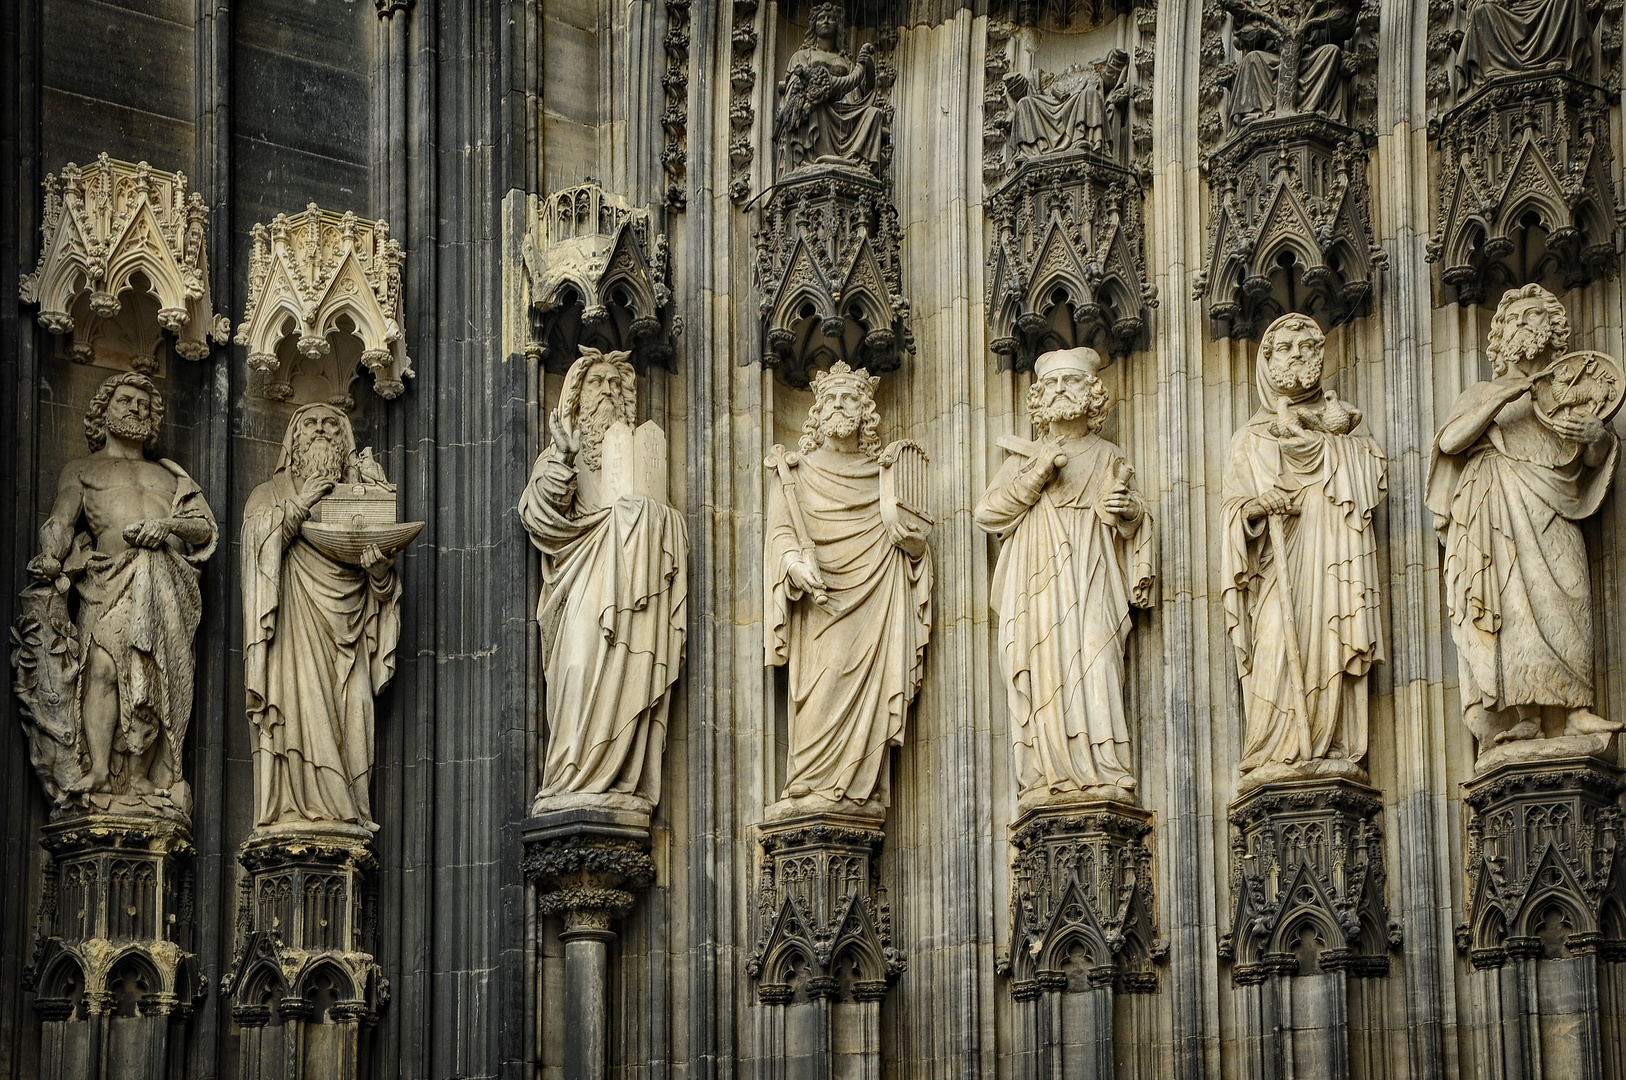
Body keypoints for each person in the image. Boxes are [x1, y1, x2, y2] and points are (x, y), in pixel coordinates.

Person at [1428, 284, 1620, 757]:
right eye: (1513, 320)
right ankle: (1526, 716)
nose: (1523, 326)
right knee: (1510, 611)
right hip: (1494, 515)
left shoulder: (1572, 396)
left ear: (1553, 331)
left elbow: (1591, 460)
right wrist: (1502, 397)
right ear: (1500, 337)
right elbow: (1451, 442)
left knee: (1568, 599)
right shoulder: (1484, 392)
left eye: (1533, 317)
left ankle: (1575, 710)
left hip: (1553, 511)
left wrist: (1598, 437)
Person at [17, 372, 216, 810]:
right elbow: (62, 521)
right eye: (125, 401)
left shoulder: (169, 475)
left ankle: (142, 777)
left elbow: (203, 528)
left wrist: (166, 526)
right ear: (103, 412)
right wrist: (53, 547)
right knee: (104, 671)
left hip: (165, 581)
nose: (135, 409)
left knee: (153, 679)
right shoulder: (84, 470)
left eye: (144, 405)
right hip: (108, 579)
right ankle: (102, 768)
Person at [975, 347, 1155, 806]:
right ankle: (1045, 772)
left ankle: (1105, 768)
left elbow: (1132, 522)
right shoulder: (1022, 457)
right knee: (1042, 671)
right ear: (1038, 399)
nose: (1059, 391)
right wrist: (1035, 475)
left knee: (1096, 659)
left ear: (1092, 395)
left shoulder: (1108, 454)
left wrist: (1129, 512)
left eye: (1071, 382)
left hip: (1092, 570)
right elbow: (988, 514)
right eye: (1052, 384)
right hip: (1036, 580)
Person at [518, 347, 688, 813]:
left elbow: (667, 531)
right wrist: (565, 459)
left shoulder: (639, 456)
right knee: (576, 667)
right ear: (576, 395)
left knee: (627, 673)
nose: (608, 393)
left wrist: (654, 518)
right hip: (582, 581)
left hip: (631, 591)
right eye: (597, 384)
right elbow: (538, 515)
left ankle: (616, 779)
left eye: (616, 385)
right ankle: (573, 774)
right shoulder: (562, 457)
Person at [1221, 314, 1387, 791]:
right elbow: (1232, 509)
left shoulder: (1348, 428)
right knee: (1273, 642)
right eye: (1286, 347)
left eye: (1308, 346)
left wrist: (1336, 439)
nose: (1298, 355)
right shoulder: (1251, 437)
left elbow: (1368, 490)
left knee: (1331, 644)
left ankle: (1331, 744)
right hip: (1280, 569)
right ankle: (1275, 748)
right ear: (1266, 361)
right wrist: (1257, 505)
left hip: (1335, 562)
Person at [765, 361, 932, 814]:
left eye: (850, 399)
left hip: (872, 608)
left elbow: (912, 550)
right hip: (820, 610)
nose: (840, 406)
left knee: (862, 688)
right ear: (817, 412)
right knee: (822, 686)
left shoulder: (884, 475)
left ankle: (860, 785)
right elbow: (780, 535)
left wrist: (913, 545)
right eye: (832, 399)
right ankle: (812, 780)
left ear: (865, 412)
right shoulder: (795, 474)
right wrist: (795, 566)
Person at [242, 404, 402, 833]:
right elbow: (254, 551)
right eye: (309, 424)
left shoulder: (361, 496)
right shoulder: (270, 494)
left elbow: (380, 600)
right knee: (298, 711)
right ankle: (292, 811)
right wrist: (298, 506)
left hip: (348, 635)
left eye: (331, 426)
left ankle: (349, 809)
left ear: (344, 441)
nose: (320, 432)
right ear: (293, 440)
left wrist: (381, 575)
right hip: (293, 635)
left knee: (355, 713)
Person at [774, 3, 890, 175]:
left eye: (831, 19)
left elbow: (864, 89)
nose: (826, 21)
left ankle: (859, 164)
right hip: (816, 107)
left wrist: (867, 65)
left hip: (846, 110)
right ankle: (808, 162)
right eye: (821, 18)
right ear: (814, 25)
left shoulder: (846, 61)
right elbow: (794, 88)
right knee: (814, 106)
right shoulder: (802, 56)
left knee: (874, 114)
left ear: (839, 26)